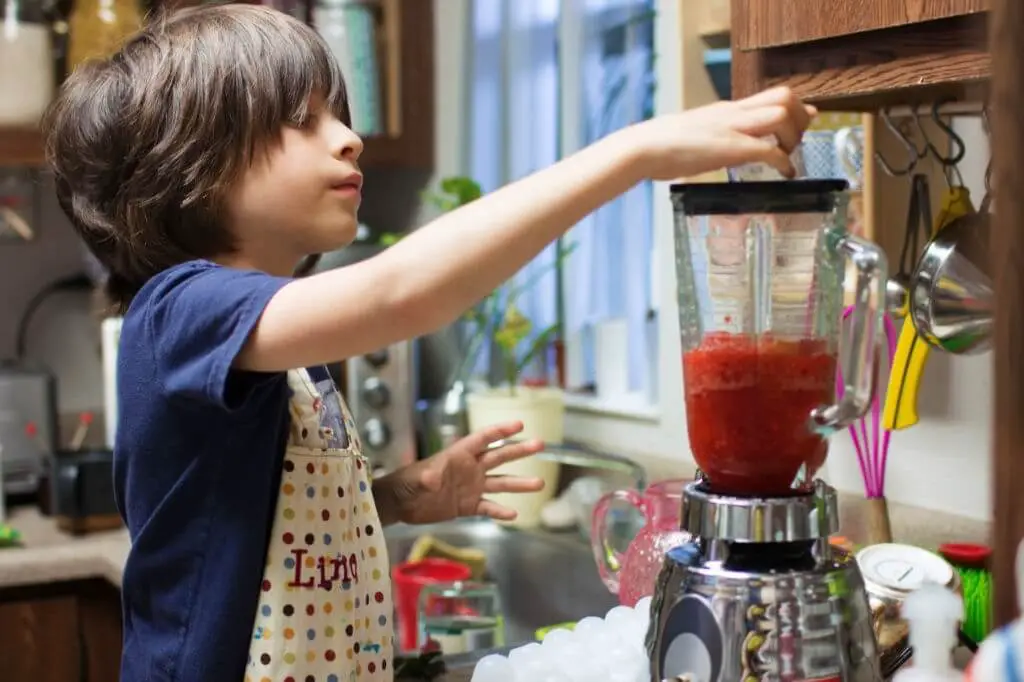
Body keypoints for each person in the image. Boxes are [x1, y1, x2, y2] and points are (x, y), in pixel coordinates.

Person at [42, 4, 814, 681]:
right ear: (195, 165)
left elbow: (261, 528)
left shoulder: (284, 345)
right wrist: (631, 152)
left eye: (338, 115)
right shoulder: (178, 312)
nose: (349, 139)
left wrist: (396, 498)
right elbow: (400, 292)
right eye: (304, 121)